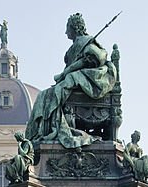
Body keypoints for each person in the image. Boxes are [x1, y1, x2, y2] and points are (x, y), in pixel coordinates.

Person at [24, 13, 119, 149]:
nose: (66, 32)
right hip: (75, 81)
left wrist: (71, 70)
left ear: (74, 28)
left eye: (67, 28)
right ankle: (41, 132)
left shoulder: (87, 42)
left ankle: (51, 130)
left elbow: (99, 57)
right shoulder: (77, 45)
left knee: (57, 90)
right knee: (43, 95)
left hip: (89, 79)